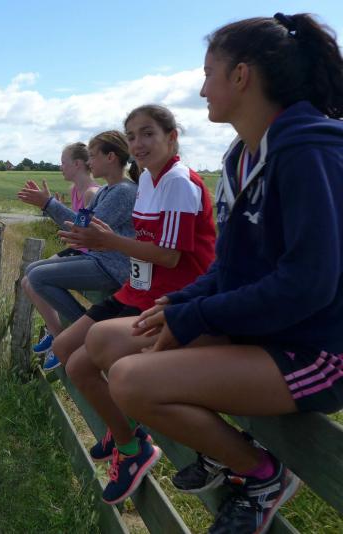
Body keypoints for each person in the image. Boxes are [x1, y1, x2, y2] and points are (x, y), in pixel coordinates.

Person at [87, 13, 343, 533]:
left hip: (314, 350)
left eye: (209, 73)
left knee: (131, 381)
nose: (203, 89)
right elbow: (230, 265)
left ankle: (262, 475)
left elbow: (309, 285)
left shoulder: (310, 151)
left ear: (241, 76)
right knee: (106, 339)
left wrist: (197, 314)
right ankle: (219, 448)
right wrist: (182, 304)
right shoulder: (241, 156)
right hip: (260, 329)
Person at [51, 104, 216, 505]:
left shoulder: (178, 182)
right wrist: (98, 239)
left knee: (81, 365)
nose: (138, 144)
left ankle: (131, 447)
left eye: (148, 133)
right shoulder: (148, 182)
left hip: (168, 295)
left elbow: (170, 256)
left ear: (171, 138)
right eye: (131, 136)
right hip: (136, 289)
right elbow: (143, 245)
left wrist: (109, 242)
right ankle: (122, 428)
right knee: (64, 347)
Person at [17, 134, 138, 369]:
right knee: (32, 270)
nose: (89, 162)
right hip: (100, 260)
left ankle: (81, 333)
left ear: (110, 157)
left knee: (37, 276)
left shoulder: (123, 192)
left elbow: (83, 229)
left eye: (93, 156)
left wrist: (48, 204)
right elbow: (80, 224)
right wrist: (48, 205)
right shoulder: (107, 190)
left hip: (112, 266)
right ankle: (77, 333)